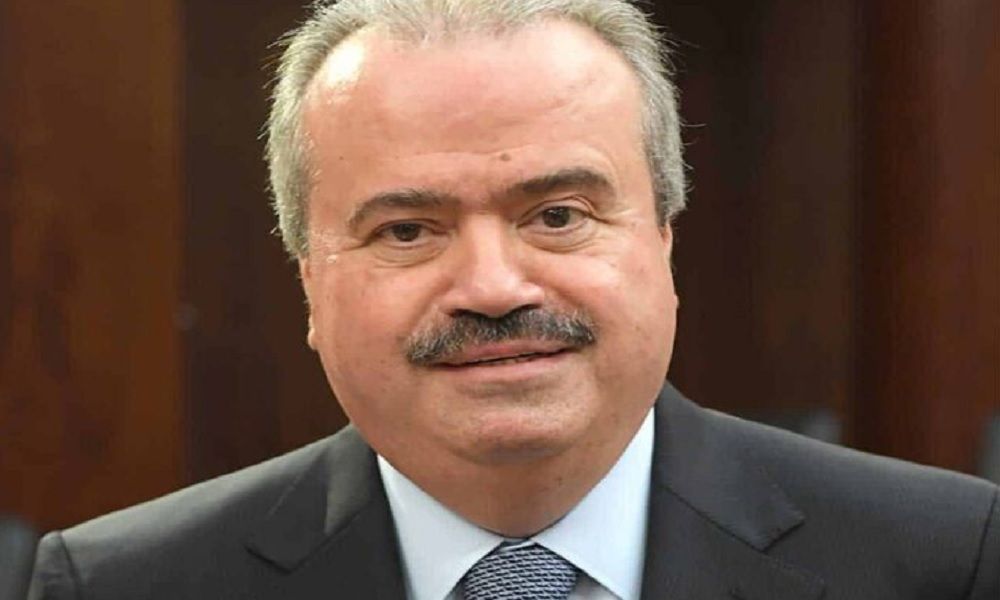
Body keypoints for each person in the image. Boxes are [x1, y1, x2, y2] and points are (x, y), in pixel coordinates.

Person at [28, 1, 999, 598]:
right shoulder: (124, 586)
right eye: (407, 230)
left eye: (558, 214)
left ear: (664, 241)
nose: (493, 287)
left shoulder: (944, 561)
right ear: (310, 281)